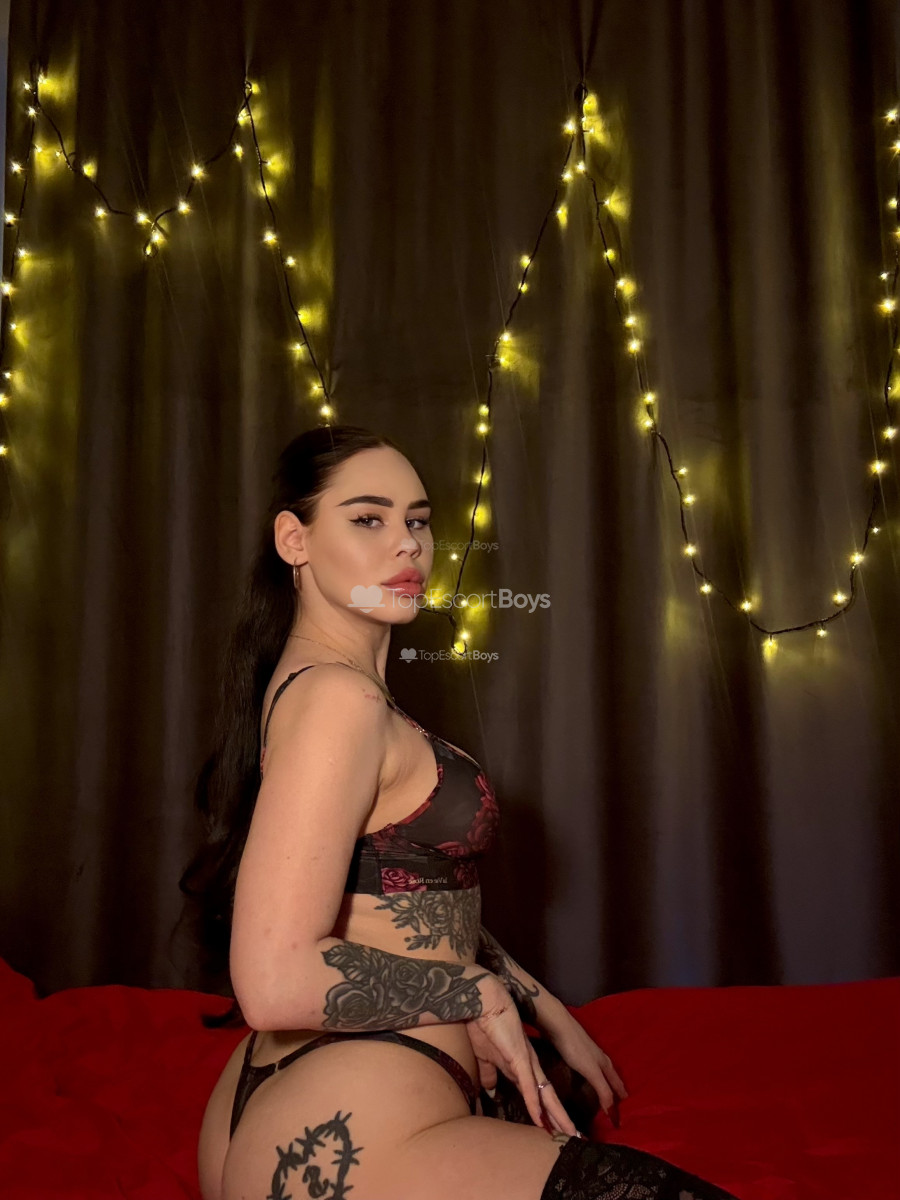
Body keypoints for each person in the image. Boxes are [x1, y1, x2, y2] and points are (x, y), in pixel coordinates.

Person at [180, 425, 740, 1200]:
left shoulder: (316, 685)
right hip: (345, 1123)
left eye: (418, 520)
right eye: (368, 518)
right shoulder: (338, 700)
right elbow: (273, 980)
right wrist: (476, 992)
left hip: (303, 1103)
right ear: (293, 540)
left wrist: (539, 1001)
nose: (407, 544)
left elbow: (402, 895)